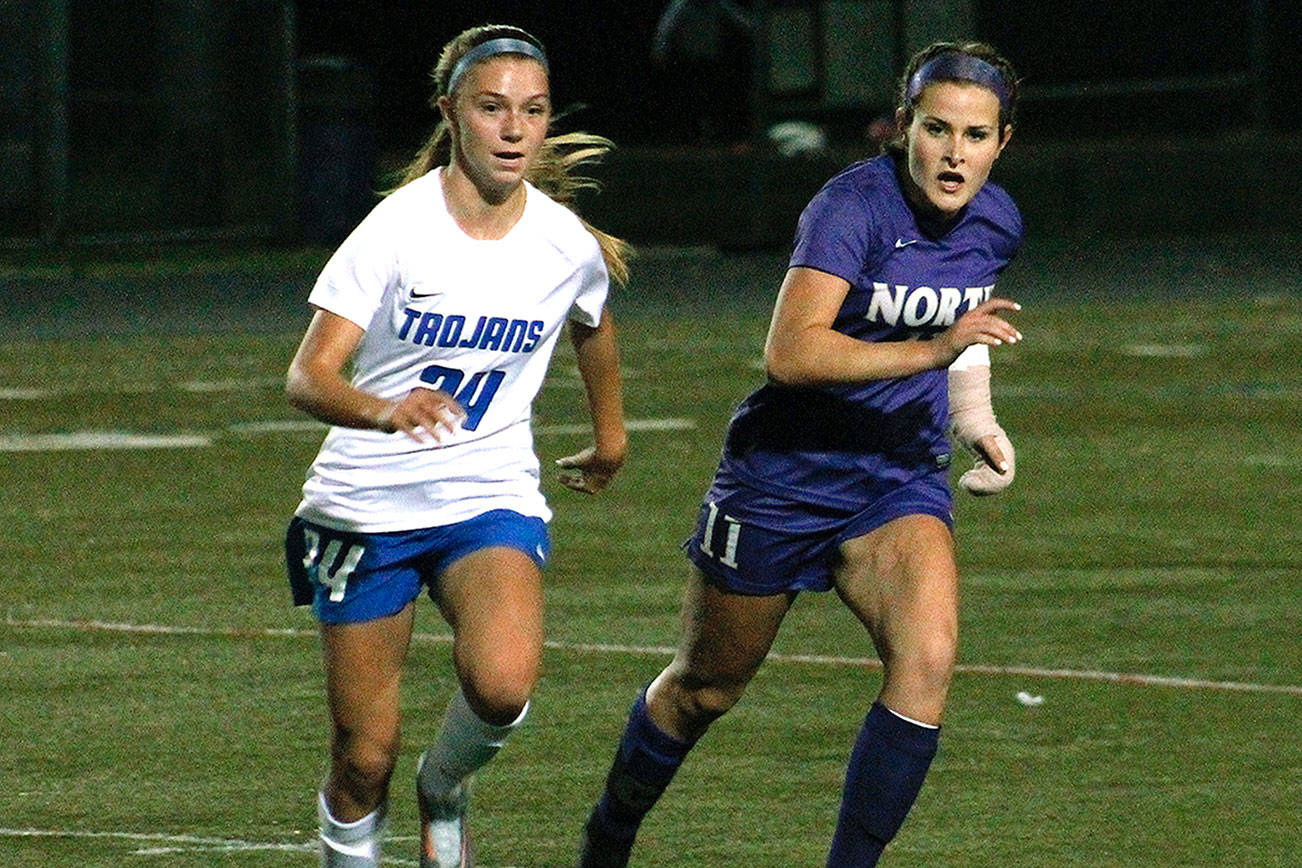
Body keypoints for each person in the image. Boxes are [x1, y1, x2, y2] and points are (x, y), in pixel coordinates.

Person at [578, 41, 1023, 867]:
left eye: (976, 134)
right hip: (783, 478)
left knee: (926, 663)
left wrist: (975, 415)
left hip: (894, 477)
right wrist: (931, 351)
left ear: (1003, 142)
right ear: (903, 129)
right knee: (706, 690)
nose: (955, 152)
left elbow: (967, 327)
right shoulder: (851, 208)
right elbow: (791, 354)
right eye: (937, 129)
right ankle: (608, 835)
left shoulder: (998, 221)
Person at [282, 24, 631, 868]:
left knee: (503, 685)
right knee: (364, 758)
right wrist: (383, 410)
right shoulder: (394, 231)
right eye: (492, 108)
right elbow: (307, 377)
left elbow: (593, 323)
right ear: (452, 113)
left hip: (487, 492)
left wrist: (610, 437)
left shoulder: (561, 240)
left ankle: (445, 789)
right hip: (366, 505)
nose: (514, 128)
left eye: (533, 111)